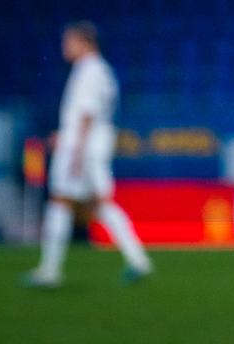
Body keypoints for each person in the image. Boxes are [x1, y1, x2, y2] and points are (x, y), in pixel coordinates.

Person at [25, 21, 152, 286]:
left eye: (70, 41)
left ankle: (49, 270)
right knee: (101, 204)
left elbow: (87, 114)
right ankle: (138, 260)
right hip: (93, 146)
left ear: (85, 43)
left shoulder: (89, 71)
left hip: (82, 149)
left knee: (61, 201)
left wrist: (74, 150)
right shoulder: (101, 71)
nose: (65, 46)